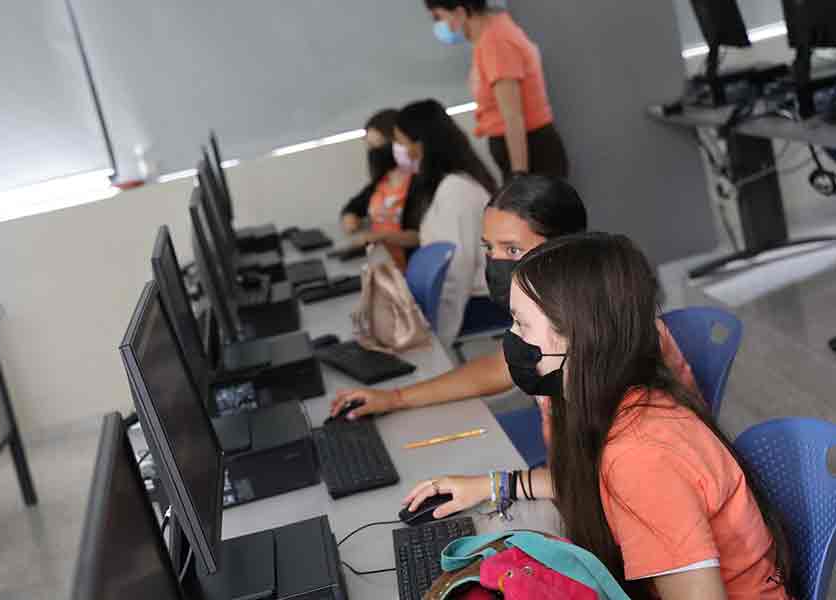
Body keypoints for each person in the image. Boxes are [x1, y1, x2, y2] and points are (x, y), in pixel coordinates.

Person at [403, 233, 794, 600]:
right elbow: (594, 484)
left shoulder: (641, 457)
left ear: (579, 336)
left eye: (521, 324)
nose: (511, 338)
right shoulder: (627, 399)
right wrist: (496, 485)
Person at [330, 176, 696, 428]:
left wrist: (507, 486)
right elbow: (497, 368)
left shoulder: (602, 334)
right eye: (490, 248)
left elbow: (618, 470)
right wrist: (394, 398)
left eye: (514, 249)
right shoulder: (553, 312)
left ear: (564, 248)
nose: (497, 262)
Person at [392, 99, 498, 345]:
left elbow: (455, 269)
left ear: (419, 145)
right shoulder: (451, 184)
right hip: (469, 296)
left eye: (400, 141)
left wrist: (433, 332)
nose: (397, 149)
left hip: (479, 302)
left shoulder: (456, 190)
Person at [424, 0, 569, 181]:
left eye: (438, 17)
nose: (437, 26)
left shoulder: (495, 42)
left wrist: (519, 175)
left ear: (460, 12)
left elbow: (513, 116)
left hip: (532, 152)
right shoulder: (489, 37)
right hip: (525, 150)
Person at [340, 109, 419, 269]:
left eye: (380, 146)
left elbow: (422, 235)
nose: (375, 154)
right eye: (370, 147)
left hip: (413, 266)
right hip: (382, 262)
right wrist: (349, 217)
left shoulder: (419, 182)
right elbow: (353, 207)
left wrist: (378, 236)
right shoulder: (380, 183)